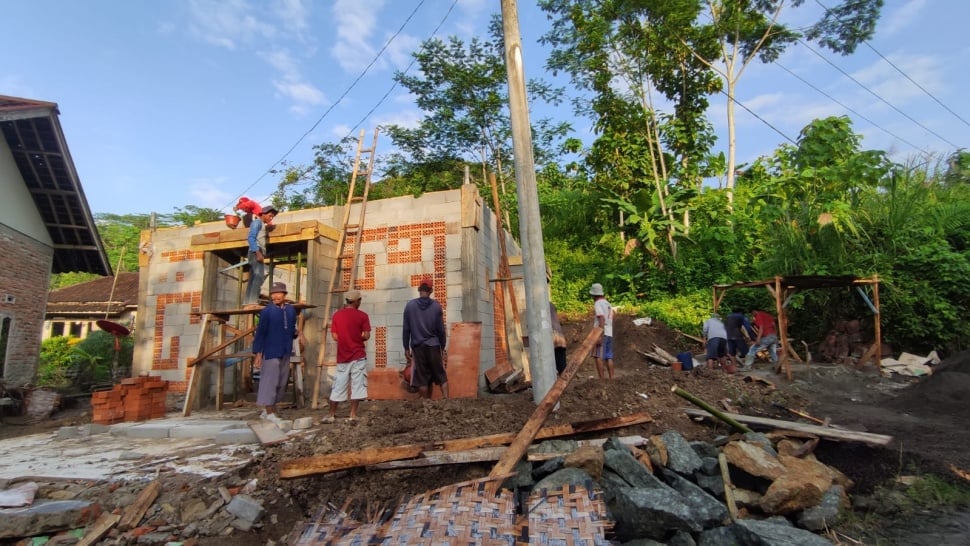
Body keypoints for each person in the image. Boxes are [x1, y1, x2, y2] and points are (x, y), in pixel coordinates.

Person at [251, 282, 297, 425]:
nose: (275, 296)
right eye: (273, 293)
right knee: (269, 381)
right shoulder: (267, 312)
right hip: (271, 351)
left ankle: (269, 411)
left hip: (285, 350)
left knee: (281, 382)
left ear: (285, 295)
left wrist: (298, 334)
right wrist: (258, 353)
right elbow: (260, 333)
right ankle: (270, 412)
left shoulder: (290, 310)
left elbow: (291, 328)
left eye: (279, 293)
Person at [326, 289, 371, 423]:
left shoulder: (337, 315)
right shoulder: (363, 316)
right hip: (358, 355)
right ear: (357, 301)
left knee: (339, 384)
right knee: (358, 385)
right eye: (360, 300)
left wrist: (345, 338)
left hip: (342, 356)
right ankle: (352, 414)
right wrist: (358, 337)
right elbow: (367, 335)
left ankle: (331, 415)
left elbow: (335, 336)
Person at [402, 277, 448, 399]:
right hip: (434, 346)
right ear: (431, 291)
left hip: (419, 348)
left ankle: (426, 404)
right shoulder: (436, 307)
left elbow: (406, 329)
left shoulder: (410, 306)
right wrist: (442, 347)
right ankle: (446, 400)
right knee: (440, 375)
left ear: (419, 290)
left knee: (422, 378)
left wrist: (406, 347)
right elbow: (441, 330)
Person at [244, 206, 278, 306]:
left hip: (256, 252)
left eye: (272, 217)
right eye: (270, 216)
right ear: (263, 214)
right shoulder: (257, 223)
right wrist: (258, 253)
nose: (271, 218)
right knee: (259, 276)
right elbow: (251, 238)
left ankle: (247, 302)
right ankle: (252, 302)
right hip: (256, 251)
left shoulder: (261, 224)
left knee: (254, 277)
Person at [589, 283, 614, 379]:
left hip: (601, 332)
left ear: (594, 295)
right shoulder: (608, 304)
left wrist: (599, 334)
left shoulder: (597, 303)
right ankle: (612, 378)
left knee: (597, 356)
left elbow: (601, 318)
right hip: (609, 332)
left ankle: (601, 380)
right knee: (609, 356)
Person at [550, 301, 568, 375]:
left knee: (555, 367)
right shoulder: (551, 305)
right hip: (560, 338)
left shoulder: (539, 306)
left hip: (552, 340)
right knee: (562, 366)